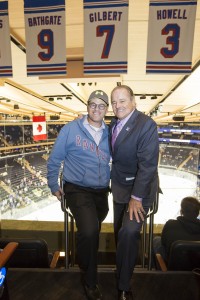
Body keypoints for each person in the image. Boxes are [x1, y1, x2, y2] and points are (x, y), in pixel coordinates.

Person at [47, 90, 111, 300]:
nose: (97, 109)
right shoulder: (70, 129)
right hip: (77, 188)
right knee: (91, 230)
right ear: (87, 106)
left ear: (107, 109)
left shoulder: (110, 132)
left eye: (101, 106)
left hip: (101, 192)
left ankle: (84, 252)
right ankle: (90, 281)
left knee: (91, 229)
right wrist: (53, 184)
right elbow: (55, 159)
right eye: (93, 104)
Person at [110, 85, 159, 300]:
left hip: (139, 190)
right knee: (118, 233)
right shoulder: (114, 123)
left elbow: (148, 165)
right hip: (119, 187)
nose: (117, 106)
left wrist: (136, 197)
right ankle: (122, 270)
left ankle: (123, 285)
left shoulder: (146, 125)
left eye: (122, 100)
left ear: (133, 101)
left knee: (128, 233)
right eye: (114, 102)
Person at [154, 196, 200, 262]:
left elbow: (164, 242)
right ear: (197, 212)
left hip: (174, 266)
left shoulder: (170, 224)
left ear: (181, 211)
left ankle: (157, 269)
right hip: (197, 266)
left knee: (156, 240)